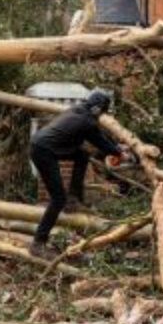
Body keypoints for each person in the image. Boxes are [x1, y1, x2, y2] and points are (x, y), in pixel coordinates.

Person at [28, 89, 132, 259]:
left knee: (81, 154)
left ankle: (73, 197)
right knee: (57, 199)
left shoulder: (77, 110)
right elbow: (100, 142)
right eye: (102, 112)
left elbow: (102, 138)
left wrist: (117, 148)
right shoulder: (87, 122)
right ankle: (38, 243)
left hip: (43, 146)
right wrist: (121, 154)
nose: (101, 116)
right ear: (98, 109)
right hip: (44, 151)